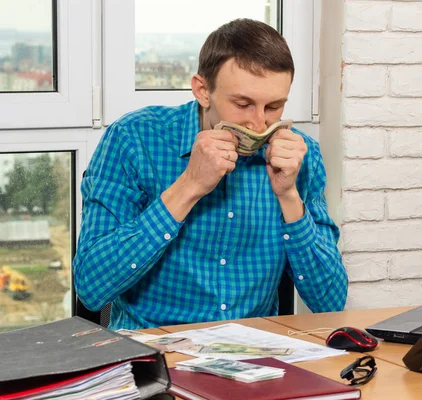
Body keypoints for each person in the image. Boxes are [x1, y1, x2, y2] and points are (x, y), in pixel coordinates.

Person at [73, 19, 348, 330]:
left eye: (274, 107)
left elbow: (330, 302)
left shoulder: (300, 155)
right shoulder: (133, 138)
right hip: (152, 352)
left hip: (253, 356)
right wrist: (189, 186)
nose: (258, 124)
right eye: (243, 104)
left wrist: (288, 196)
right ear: (202, 90)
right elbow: (91, 288)